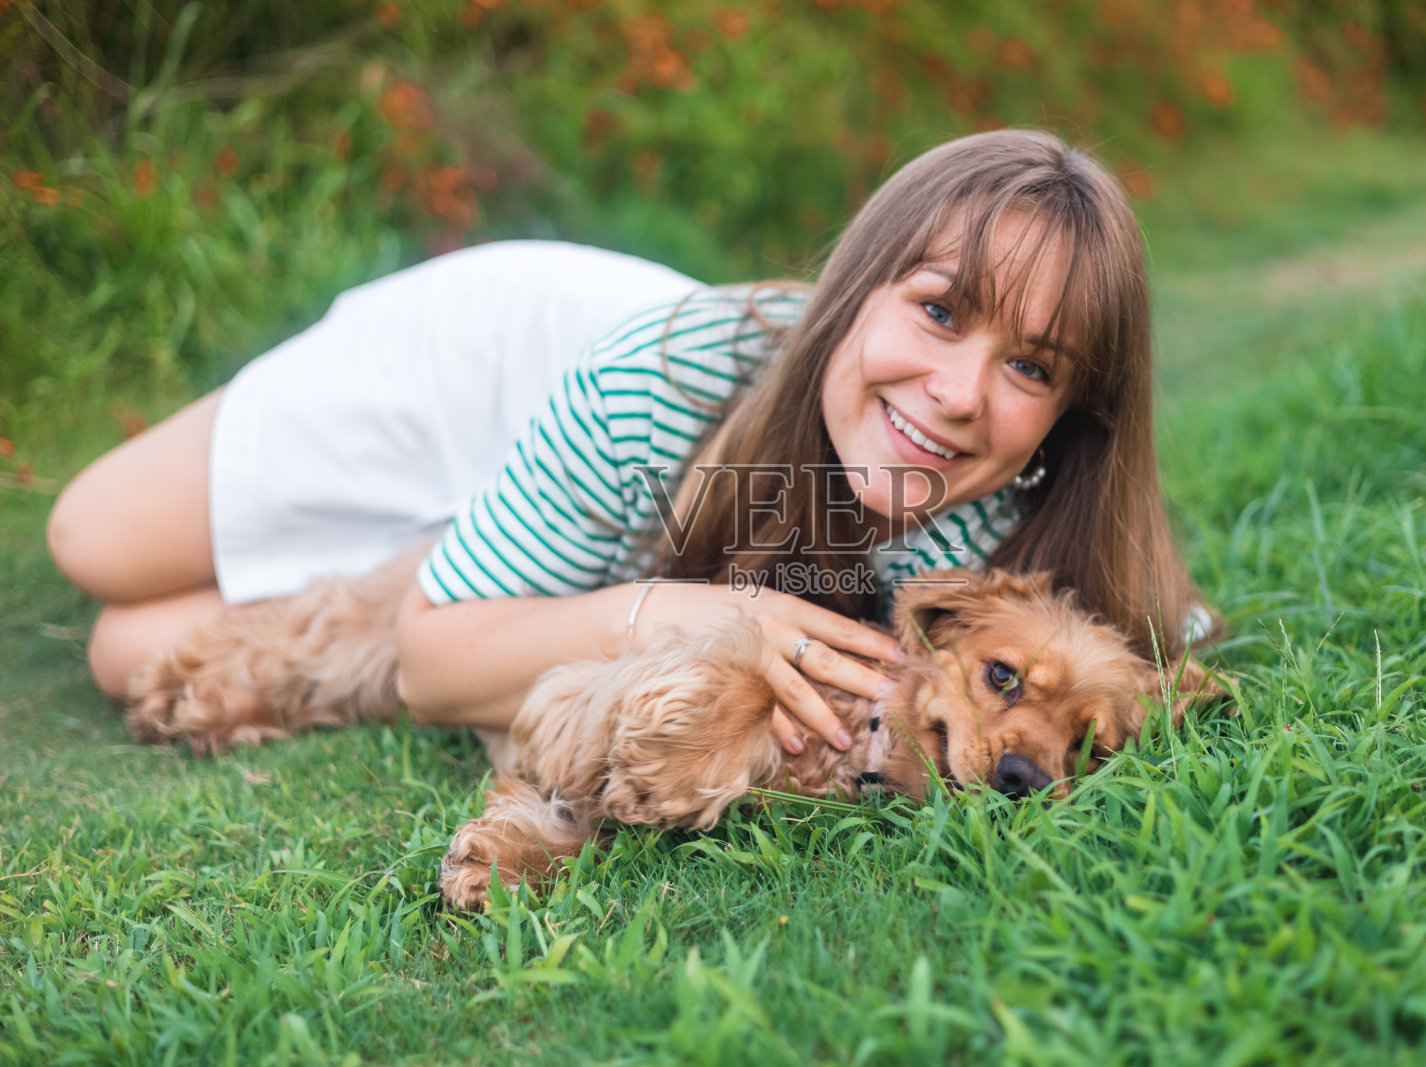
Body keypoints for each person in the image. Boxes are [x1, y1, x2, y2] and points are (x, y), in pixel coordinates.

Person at [48, 128, 1214, 759]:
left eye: (1030, 367)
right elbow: (429, 669)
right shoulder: (644, 391)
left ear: (1074, 416)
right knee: (90, 538)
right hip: (494, 368)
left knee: (124, 646)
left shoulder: (1009, 517)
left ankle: (468, 554)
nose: (958, 393)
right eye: (939, 308)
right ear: (857, 287)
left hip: (591, 500)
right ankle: (463, 551)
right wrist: (672, 613)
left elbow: (1144, 645)